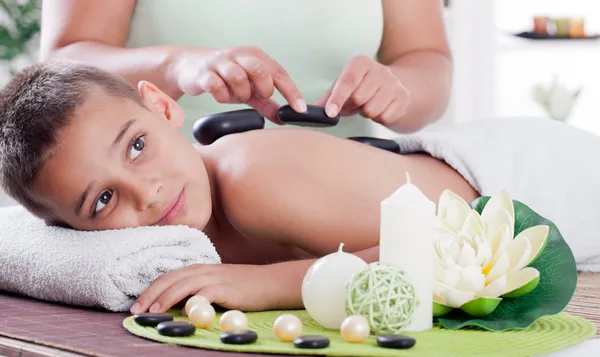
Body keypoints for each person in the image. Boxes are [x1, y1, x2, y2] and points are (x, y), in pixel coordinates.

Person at [0, 61, 475, 314]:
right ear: (69, 232)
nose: (146, 194)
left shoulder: (252, 179)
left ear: (163, 107)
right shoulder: (166, 249)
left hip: (506, 188)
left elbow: (448, 248)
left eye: (137, 146)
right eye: (103, 200)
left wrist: (268, 284)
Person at [38, 0, 453, 141]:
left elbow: (427, 59)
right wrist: (177, 65)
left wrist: (398, 90)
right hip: (164, 216)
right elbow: (63, 63)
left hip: (342, 220)